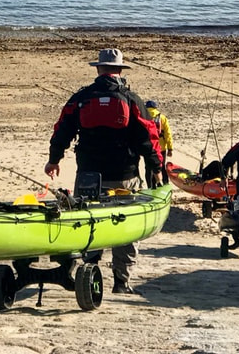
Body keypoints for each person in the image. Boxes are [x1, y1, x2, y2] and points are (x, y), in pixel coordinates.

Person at [44, 48, 163, 295]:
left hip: (88, 173)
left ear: (98, 69)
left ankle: (90, 271)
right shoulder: (131, 99)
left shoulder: (80, 98)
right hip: (124, 175)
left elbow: (62, 130)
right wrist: (156, 169)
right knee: (124, 226)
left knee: (88, 221)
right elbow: (148, 138)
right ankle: (122, 282)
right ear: (120, 70)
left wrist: (54, 160)